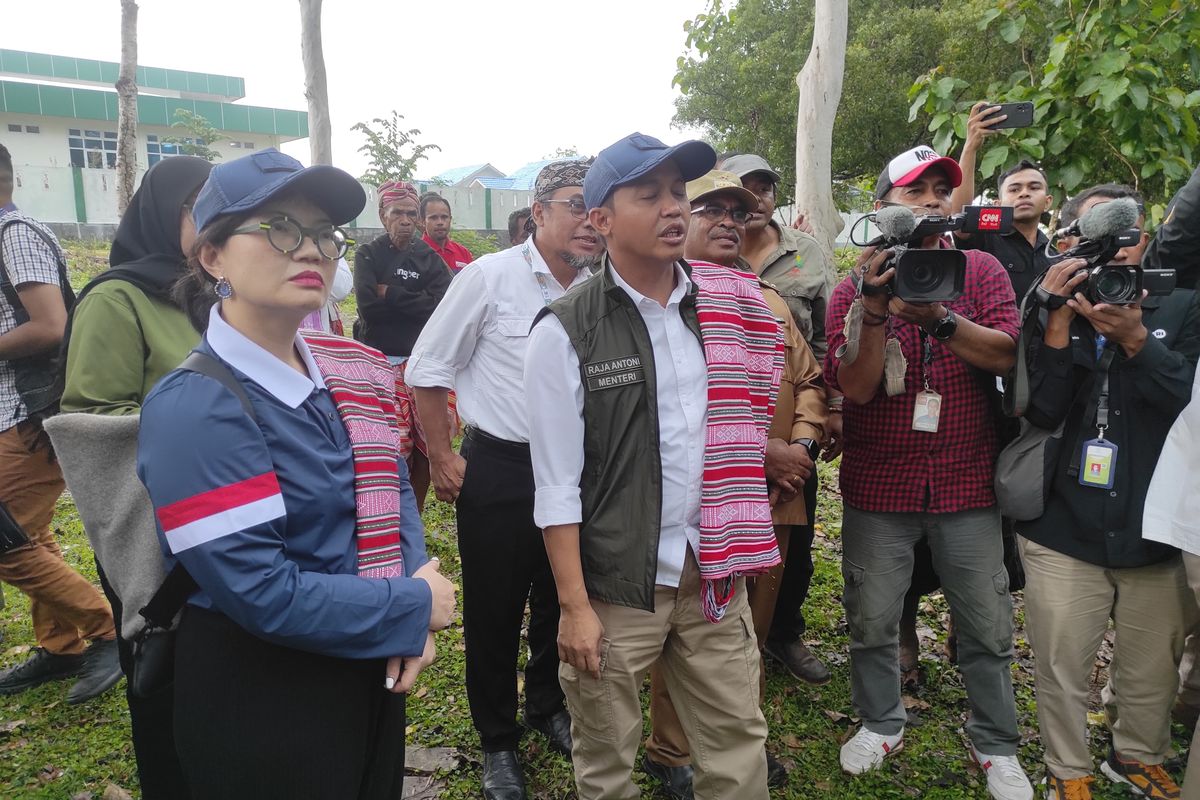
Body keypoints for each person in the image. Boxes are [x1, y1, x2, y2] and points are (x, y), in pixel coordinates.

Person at [135, 148, 456, 799]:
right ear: (213, 256)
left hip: (366, 661)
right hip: (267, 695)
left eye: (323, 235)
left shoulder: (346, 370)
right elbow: (260, 591)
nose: (310, 250)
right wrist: (413, 604)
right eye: (279, 227)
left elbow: (389, 485)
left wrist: (409, 582)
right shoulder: (197, 405)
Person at [526, 132, 780, 799]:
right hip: (617, 588)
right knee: (607, 764)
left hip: (713, 574)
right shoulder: (565, 330)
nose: (674, 208)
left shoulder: (725, 308)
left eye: (677, 192)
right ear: (601, 219)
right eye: (650, 195)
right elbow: (555, 485)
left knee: (737, 749)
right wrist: (574, 607)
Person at [826, 145, 1032, 800]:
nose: (932, 201)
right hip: (879, 485)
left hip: (967, 482)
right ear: (883, 205)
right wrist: (879, 308)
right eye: (915, 191)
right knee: (873, 616)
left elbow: (1006, 356)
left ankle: (994, 739)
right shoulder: (850, 290)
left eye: (943, 189)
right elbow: (856, 388)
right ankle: (882, 721)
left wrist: (941, 320)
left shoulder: (984, 270)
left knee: (985, 619)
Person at [405, 160, 598, 800]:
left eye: (596, 205)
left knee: (560, 596)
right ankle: (496, 739)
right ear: (538, 212)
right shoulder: (489, 278)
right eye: (575, 204)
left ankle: (547, 706)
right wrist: (442, 455)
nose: (588, 218)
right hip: (503, 467)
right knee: (494, 609)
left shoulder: (607, 285)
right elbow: (427, 369)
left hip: (575, 472)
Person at [640, 168, 826, 799]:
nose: (727, 220)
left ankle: (737, 737)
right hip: (697, 501)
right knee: (687, 627)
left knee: (748, 627)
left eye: (736, 210)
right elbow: (676, 416)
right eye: (709, 208)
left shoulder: (765, 301)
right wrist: (763, 449)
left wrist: (799, 446)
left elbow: (808, 382)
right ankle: (673, 750)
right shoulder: (659, 304)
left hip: (775, 496)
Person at [1017, 184, 1198, 800]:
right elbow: (1040, 408)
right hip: (1065, 522)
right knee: (1061, 660)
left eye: (1126, 240)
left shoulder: (1183, 305)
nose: (1115, 260)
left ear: (1144, 239)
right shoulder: (1056, 302)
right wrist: (1059, 323)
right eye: (1098, 243)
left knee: (1151, 665)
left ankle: (1138, 755)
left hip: (1156, 521)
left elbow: (1187, 405)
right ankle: (1068, 768)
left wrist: (1137, 340)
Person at [51, 154, 212, 799]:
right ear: (164, 211)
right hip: (154, 523)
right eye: (202, 207)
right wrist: (211, 434)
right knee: (162, 667)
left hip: (224, 519)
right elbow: (93, 423)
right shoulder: (119, 299)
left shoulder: (213, 293)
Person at [0, 142, 122, 705]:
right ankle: (61, 645)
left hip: (29, 410)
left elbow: (51, 325)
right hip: (9, 410)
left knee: (7, 539)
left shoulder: (15, 234)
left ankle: (108, 630)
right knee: (30, 532)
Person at [719, 152, 838, 685]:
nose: (754, 201)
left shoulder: (800, 260)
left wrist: (802, 447)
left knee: (789, 554)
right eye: (741, 192)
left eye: (764, 188)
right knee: (711, 579)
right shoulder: (677, 285)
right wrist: (756, 450)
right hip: (719, 463)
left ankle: (776, 639)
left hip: (792, 449)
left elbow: (813, 357)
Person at [353, 180, 453, 512]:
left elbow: (444, 306)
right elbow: (367, 307)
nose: (406, 220)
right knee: (391, 448)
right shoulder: (368, 254)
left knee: (427, 447)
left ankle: (415, 512)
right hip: (378, 365)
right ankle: (387, 512)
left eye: (412, 213)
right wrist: (419, 301)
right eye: (398, 213)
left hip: (423, 365)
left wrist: (390, 293)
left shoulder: (429, 258)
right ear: (383, 215)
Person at [953, 103, 1057, 301]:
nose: (1024, 194)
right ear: (998, 203)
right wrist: (970, 147)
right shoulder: (985, 238)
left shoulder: (1054, 254)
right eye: (1014, 189)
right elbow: (959, 218)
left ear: (1048, 201)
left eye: (1034, 187)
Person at [421, 193, 475, 274]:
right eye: (433, 218)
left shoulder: (463, 253)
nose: (440, 222)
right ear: (423, 221)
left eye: (444, 217)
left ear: (450, 219)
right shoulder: (416, 254)